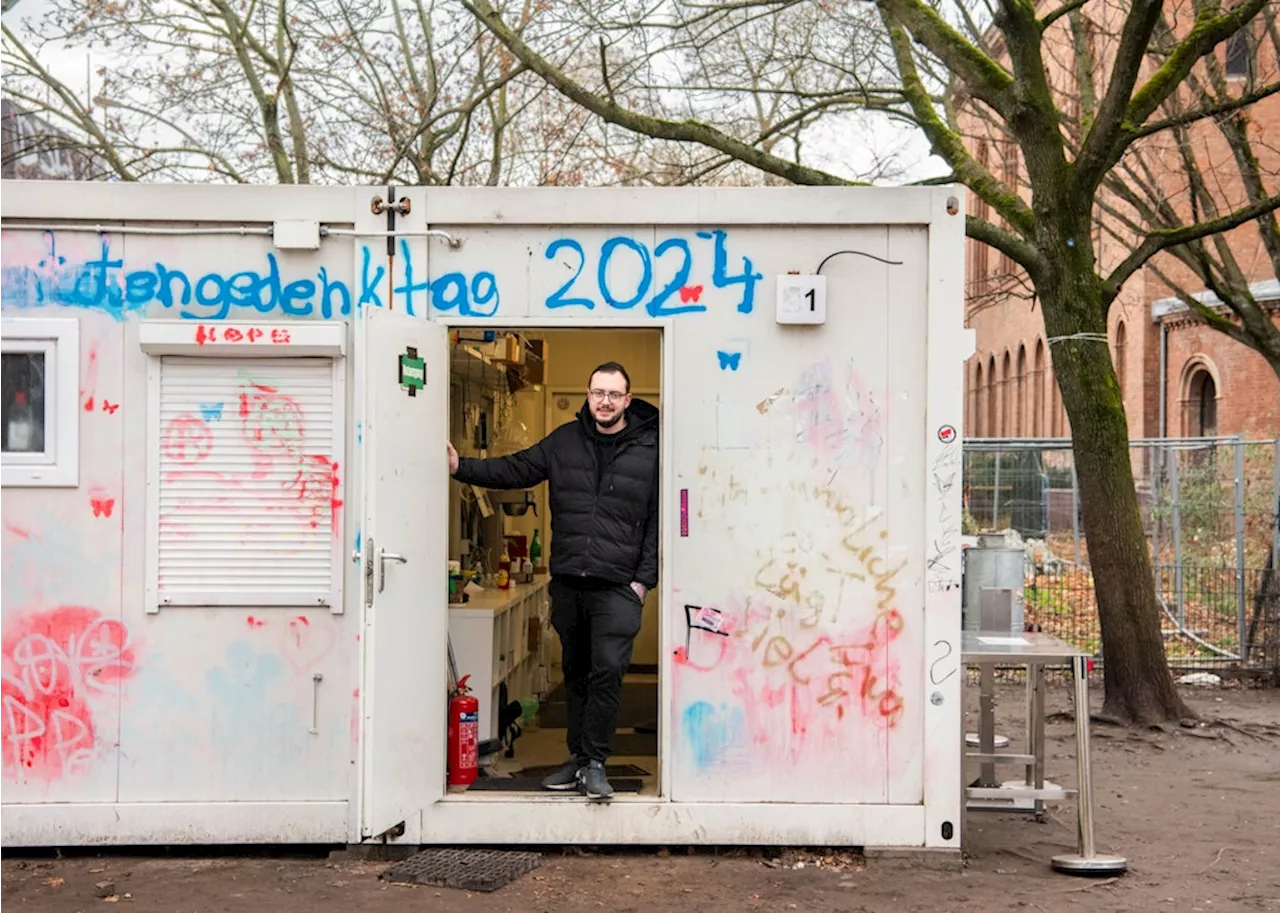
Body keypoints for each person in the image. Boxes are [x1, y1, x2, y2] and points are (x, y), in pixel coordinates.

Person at [448, 362, 659, 800]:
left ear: (627, 399)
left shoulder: (651, 446)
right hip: (569, 581)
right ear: (587, 394)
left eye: (614, 394)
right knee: (576, 674)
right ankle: (578, 761)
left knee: (608, 673)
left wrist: (643, 581)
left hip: (619, 585)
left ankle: (597, 762)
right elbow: (517, 469)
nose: (605, 401)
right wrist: (460, 466)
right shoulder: (565, 441)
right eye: (598, 392)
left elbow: (662, 516)